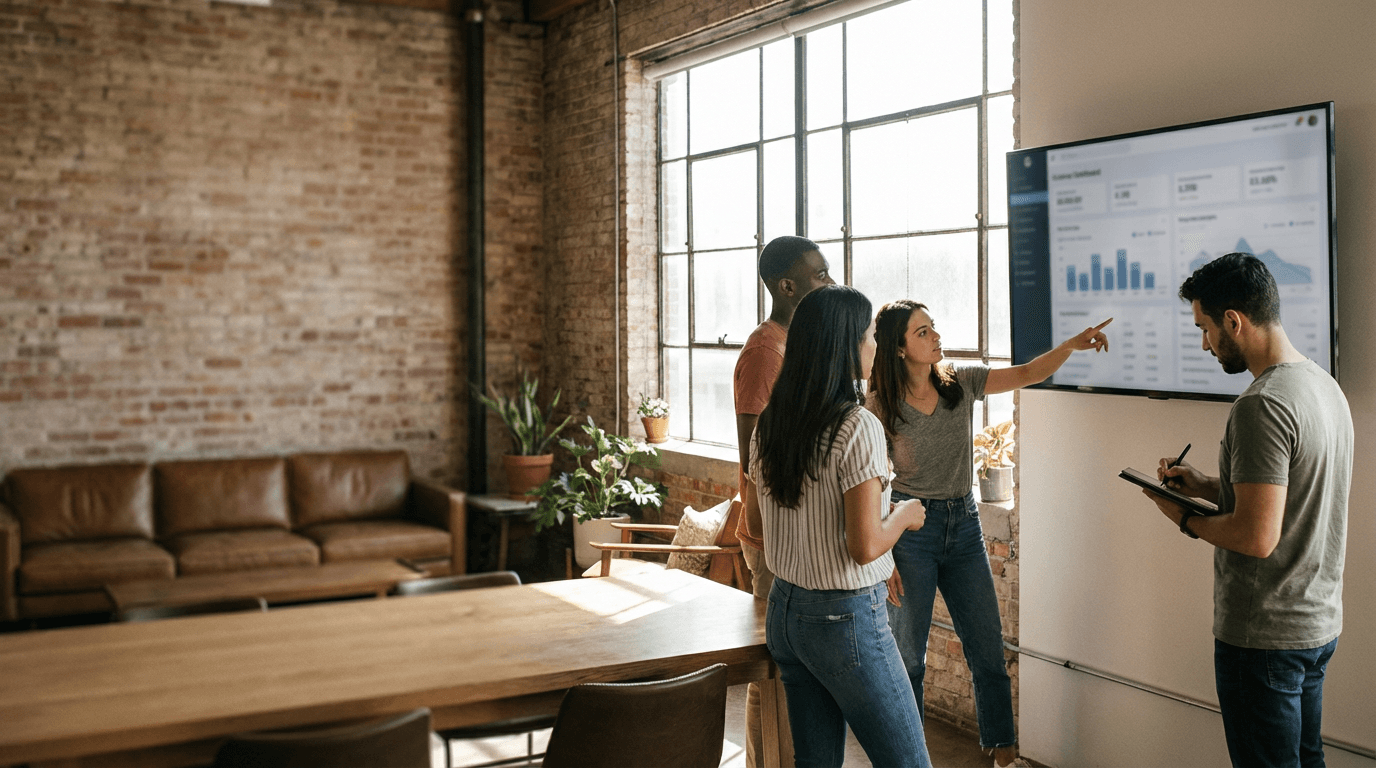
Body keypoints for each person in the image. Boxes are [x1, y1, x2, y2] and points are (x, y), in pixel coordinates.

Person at [866, 299, 1109, 768]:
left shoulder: (962, 382)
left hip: (963, 525)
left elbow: (1029, 373)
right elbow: (872, 483)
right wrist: (884, 555)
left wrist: (1073, 346)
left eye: (934, 327)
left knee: (987, 649)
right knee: (908, 659)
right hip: (910, 530)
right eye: (922, 332)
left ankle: (1004, 752)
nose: (935, 336)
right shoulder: (878, 405)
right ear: (897, 349)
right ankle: (910, 757)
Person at [1141, 252, 1351, 768]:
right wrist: (1208, 485)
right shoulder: (1322, 386)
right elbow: (1287, 496)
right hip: (1315, 625)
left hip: (1264, 640)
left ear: (1234, 320)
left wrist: (1185, 518)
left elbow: (1258, 537)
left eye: (1206, 329)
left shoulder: (1261, 404)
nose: (1206, 343)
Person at [744, 284, 930, 768]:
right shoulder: (857, 426)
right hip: (844, 620)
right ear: (843, 345)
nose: (875, 347)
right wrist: (905, 515)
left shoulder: (770, 424)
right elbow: (865, 545)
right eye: (869, 335)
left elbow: (759, 521)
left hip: (785, 614)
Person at [734, 235, 833, 768]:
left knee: (795, 674)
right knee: (776, 672)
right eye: (819, 275)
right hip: (772, 537)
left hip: (797, 533)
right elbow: (755, 455)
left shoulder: (804, 345)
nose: (830, 283)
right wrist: (769, 535)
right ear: (787, 286)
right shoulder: (765, 350)